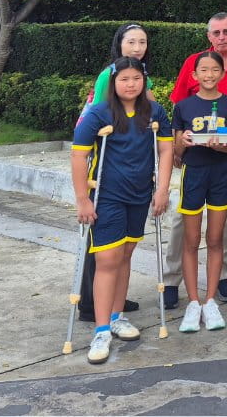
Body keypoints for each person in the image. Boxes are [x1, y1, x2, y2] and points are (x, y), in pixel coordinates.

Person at [70, 56, 174, 364]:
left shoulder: (155, 112)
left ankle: (116, 316)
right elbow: (79, 156)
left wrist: (163, 189)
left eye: (137, 79)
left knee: (126, 254)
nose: (131, 84)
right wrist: (82, 199)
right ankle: (101, 330)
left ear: (144, 81)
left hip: (139, 195)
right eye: (124, 79)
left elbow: (166, 149)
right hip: (108, 196)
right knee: (107, 259)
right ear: (113, 83)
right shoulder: (98, 113)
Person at [165, 13, 227, 307]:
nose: (222, 37)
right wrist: (176, 149)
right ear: (209, 36)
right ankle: (172, 279)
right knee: (184, 217)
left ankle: (221, 276)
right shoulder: (195, 64)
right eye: (216, 33)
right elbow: (178, 108)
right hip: (196, 151)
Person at [76, 23, 153, 322]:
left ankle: (112, 300)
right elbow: (98, 111)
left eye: (142, 42)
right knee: (104, 242)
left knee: (120, 245)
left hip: (135, 169)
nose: (137, 47)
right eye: (131, 42)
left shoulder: (143, 74)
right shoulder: (109, 74)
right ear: (119, 44)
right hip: (110, 159)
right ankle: (91, 303)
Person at [171, 51, 227, 333]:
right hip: (194, 174)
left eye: (215, 70)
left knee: (215, 239)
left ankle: (210, 300)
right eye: (204, 70)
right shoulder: (184, 106)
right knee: (190, 241)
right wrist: (185, 142)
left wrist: (218, 145)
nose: (209, 75)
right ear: (195, 75)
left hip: (220, 174)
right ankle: (192, 302)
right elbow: (176, 153)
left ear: (222, 74)